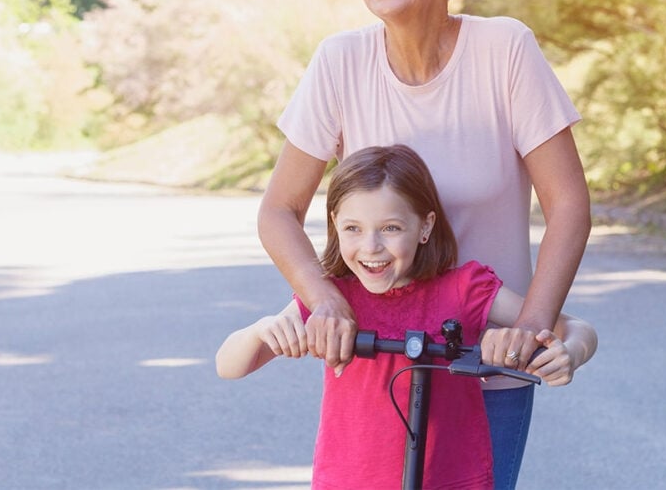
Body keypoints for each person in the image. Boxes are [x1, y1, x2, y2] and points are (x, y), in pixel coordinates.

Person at [257, 0, 592, 487]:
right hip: (380, 358)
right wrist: (327, 299)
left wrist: (530, 331)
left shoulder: (504, 49)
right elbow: (278, 209)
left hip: (484, 361)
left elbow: (568, 204)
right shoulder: (339, 62)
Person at [219, 145, 597, 489]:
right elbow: (229, 365)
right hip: (348, 481)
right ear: (335, 223)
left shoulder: (464, 289)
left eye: (391, 228)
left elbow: (576, 328)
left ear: (425, 226)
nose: (371, 247)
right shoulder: (333, 297)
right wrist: (263, 330)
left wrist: (568, 353)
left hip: (454, 480)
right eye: (353, 228)